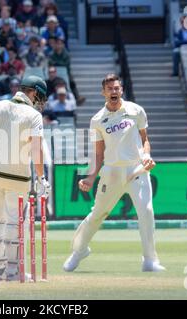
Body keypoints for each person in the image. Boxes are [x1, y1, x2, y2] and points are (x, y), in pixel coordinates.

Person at [63, 73, 165, 273]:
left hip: (137, 169)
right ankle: (79, 251)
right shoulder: (97, 120)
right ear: (103, 93)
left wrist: (146, 156)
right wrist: (91, 177)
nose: (114, 92)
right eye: (109, 89)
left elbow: (145, 140)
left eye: (117, 88)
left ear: (121, 90)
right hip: (111, 173)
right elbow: (98, 154)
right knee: (98, 214)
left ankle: (150, 260)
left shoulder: (136, 111)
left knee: (146, 212)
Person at [0, 74, 51, 281]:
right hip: (18, 178)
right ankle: (13, 271)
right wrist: (41, 178)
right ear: (32, 92)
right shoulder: (33, 115)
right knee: (15, 224)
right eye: (38, 96)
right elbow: (36, 150)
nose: (38, 101)